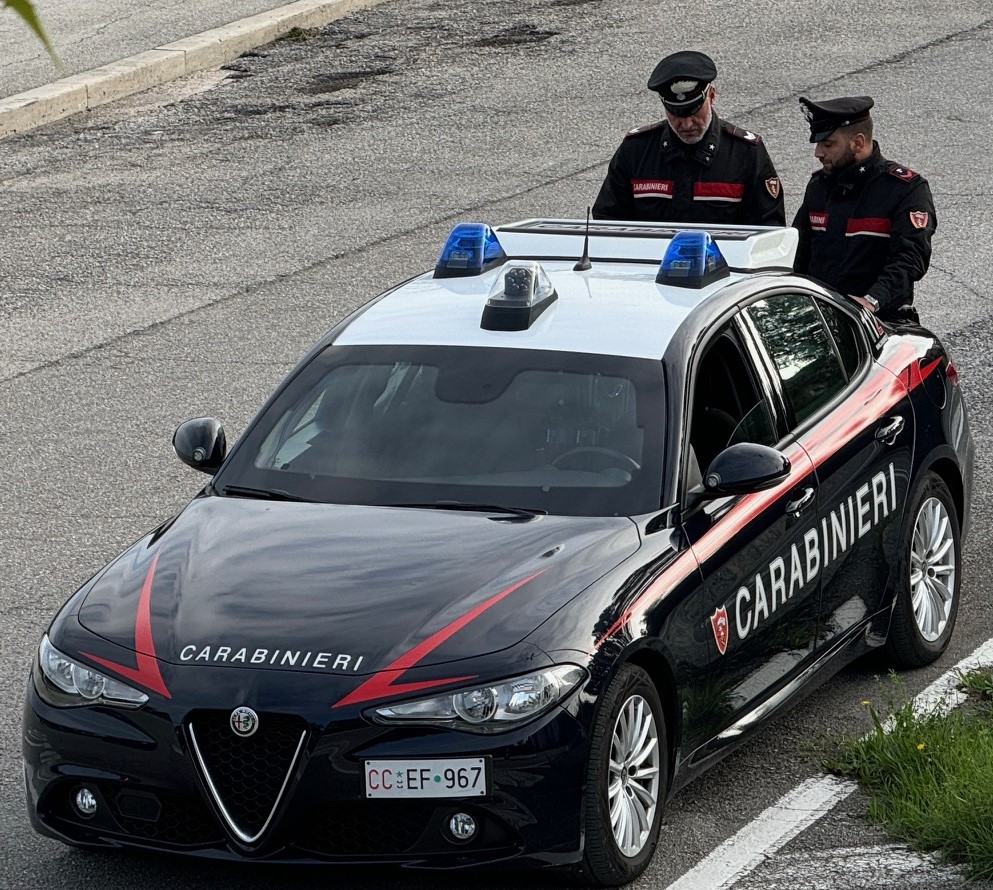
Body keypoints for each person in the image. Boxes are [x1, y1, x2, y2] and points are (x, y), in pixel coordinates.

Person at [592, 50, 785, 226]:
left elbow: (768, 229)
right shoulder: (636, 151)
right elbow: (607, 221)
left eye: (694, 112)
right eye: (676, 114)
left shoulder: (745, 153)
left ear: (711, 95)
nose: (686, 124)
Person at [792, 96, 936, 323]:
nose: (818, 153)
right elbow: (798, 252)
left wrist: (871, 301)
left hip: (880, 321)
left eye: (828, 144)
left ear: (857, 143)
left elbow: (910, 258)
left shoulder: (905, 189)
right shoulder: (819, 186)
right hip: (821, 319)